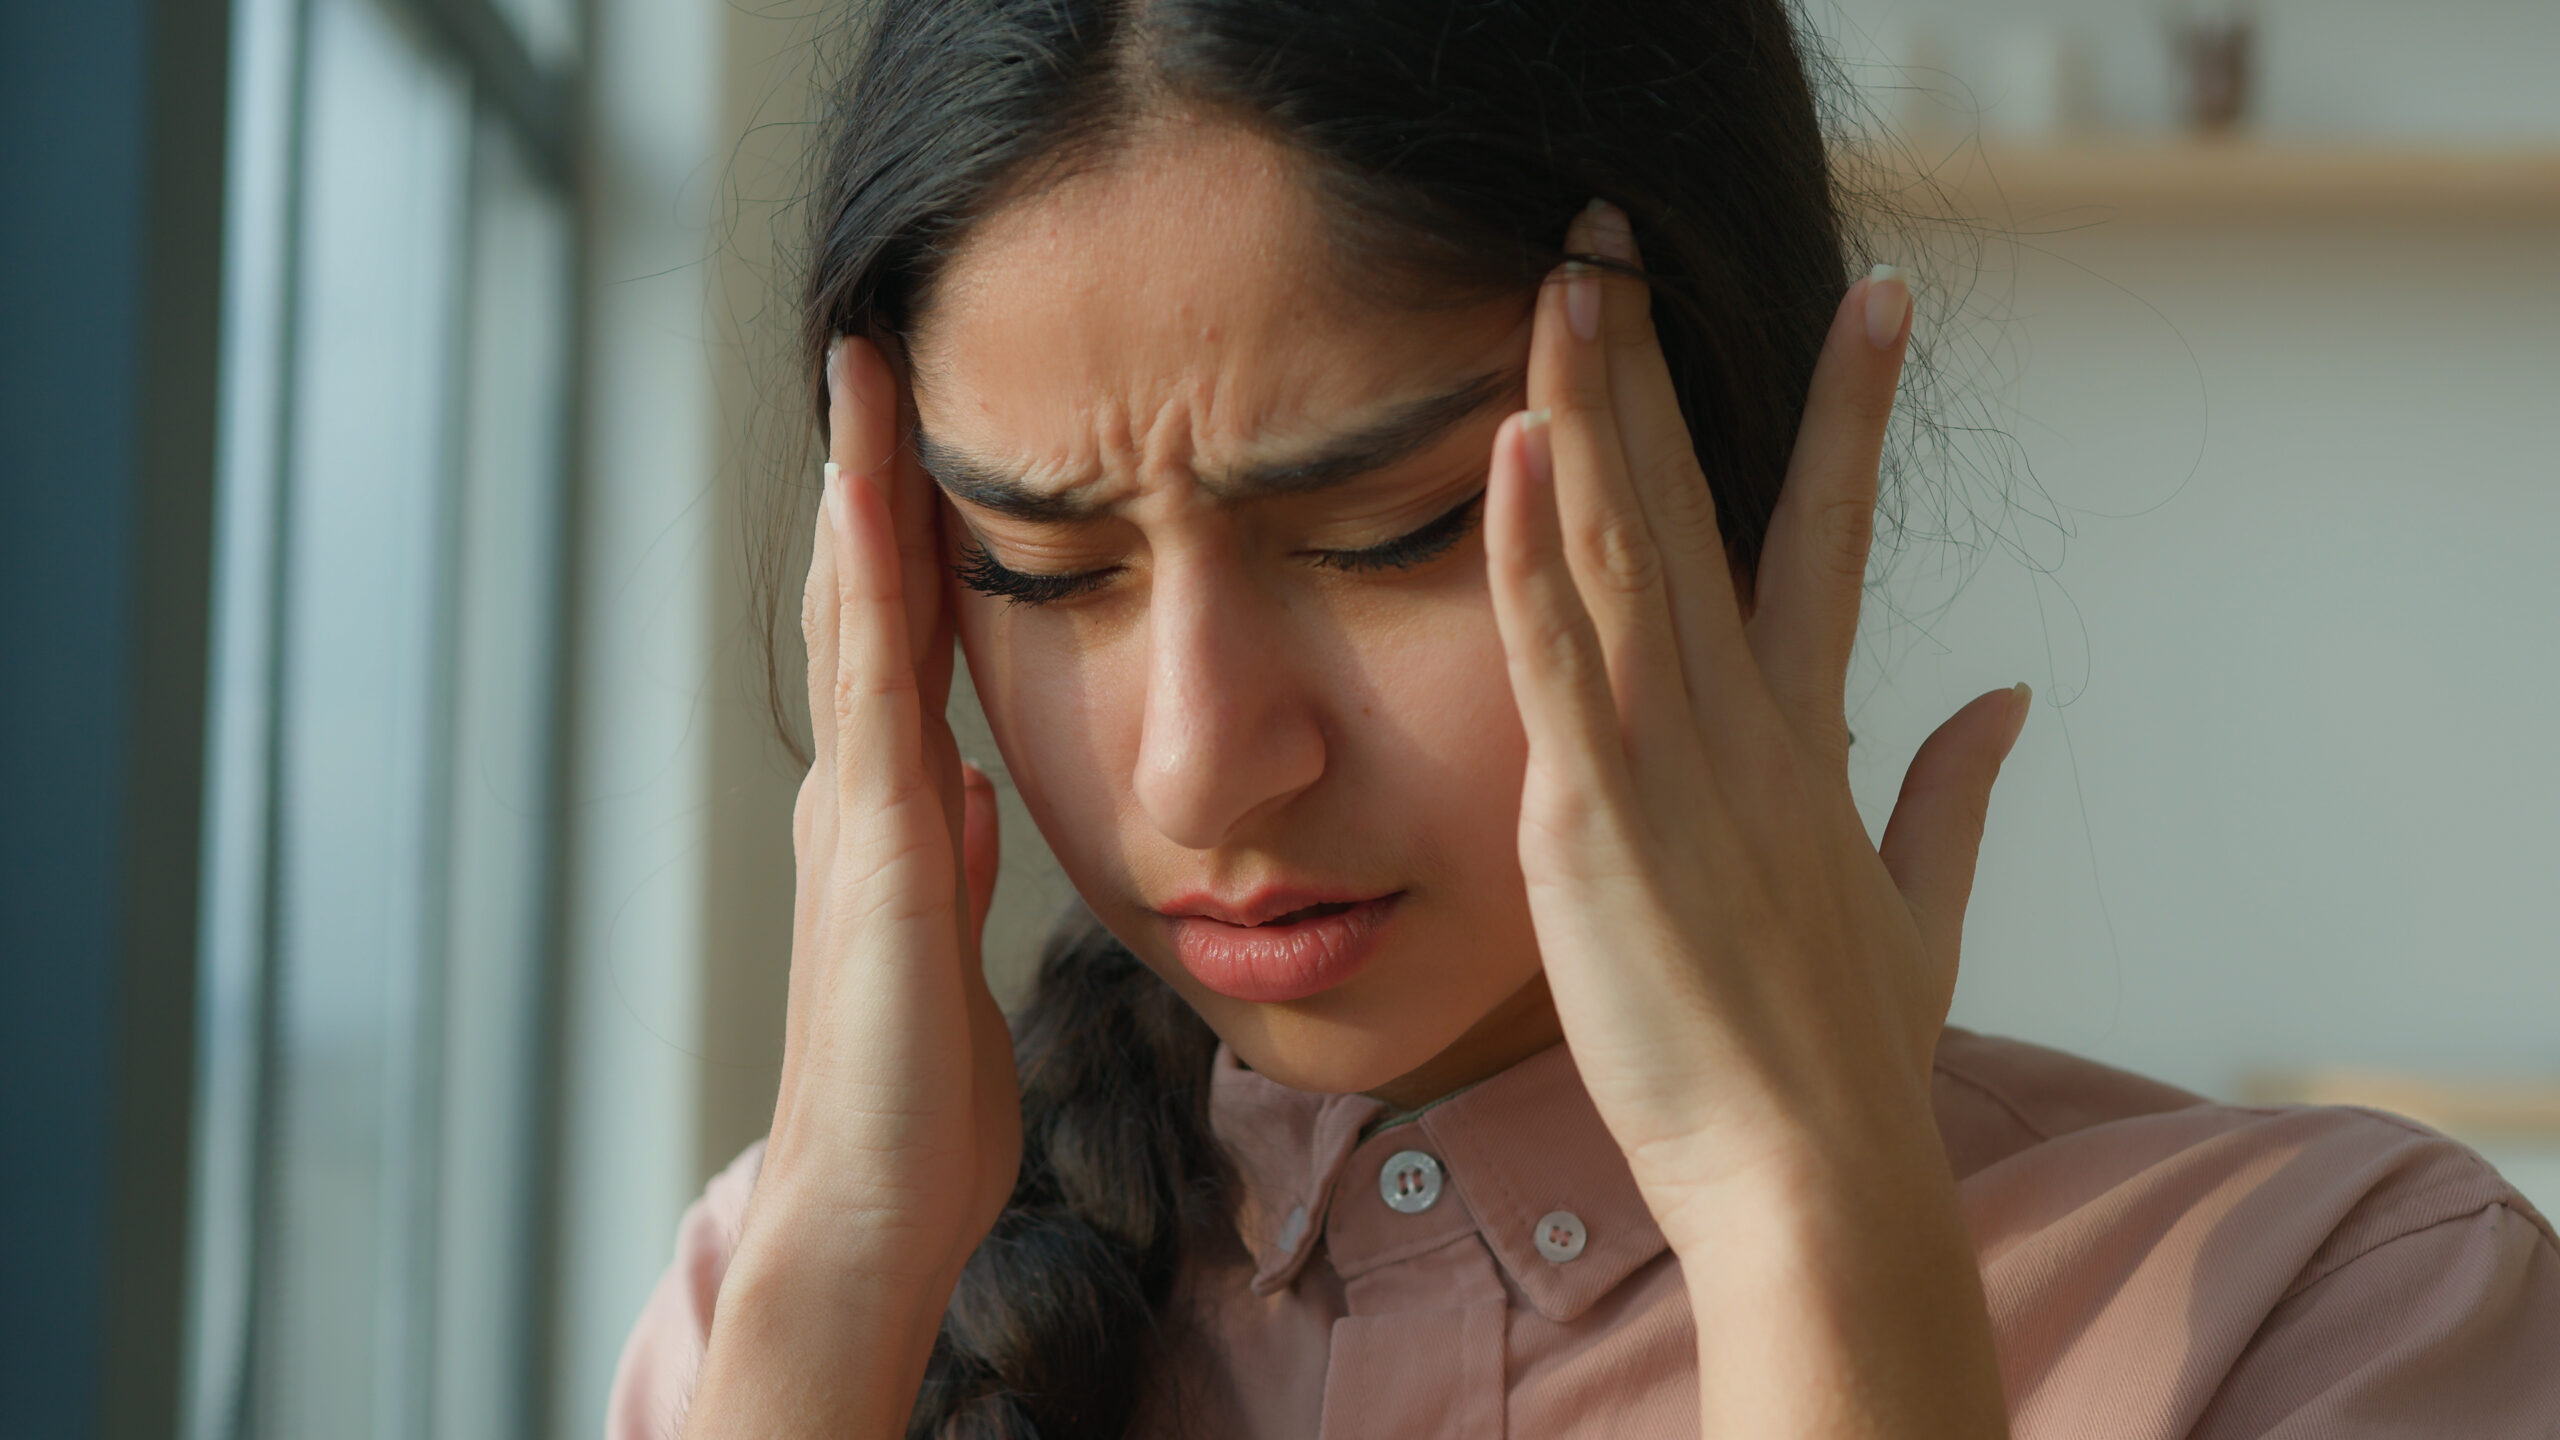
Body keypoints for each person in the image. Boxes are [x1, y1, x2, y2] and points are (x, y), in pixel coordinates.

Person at [610, 0, 2560, 1435]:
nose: (1196, 763)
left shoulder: (2331, 1309)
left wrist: (1804, 1224)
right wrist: (833, 1287)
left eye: (1392, 532)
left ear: (1742, 481)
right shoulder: (781, 1315)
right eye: (1041, 568)